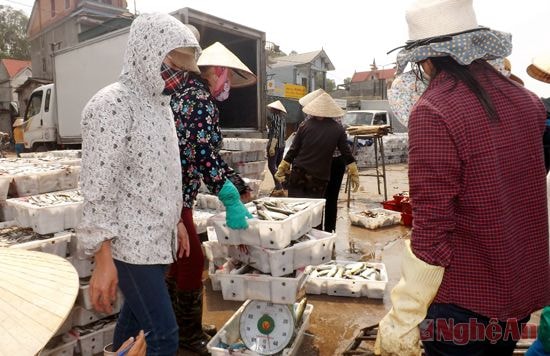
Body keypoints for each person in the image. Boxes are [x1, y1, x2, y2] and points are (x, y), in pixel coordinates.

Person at [375, 0, 550, 355]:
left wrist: (406, 310)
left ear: (426, 58)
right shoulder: (527, 101)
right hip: (516, 292)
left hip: (463, 300)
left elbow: (432, 226)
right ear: (475, 45)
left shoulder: (434, 109)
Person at [77, 13, 201, 355]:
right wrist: (103, 258)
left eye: (183, 67)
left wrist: (175, 219)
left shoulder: (161, 107)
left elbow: (164, 173)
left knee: (133, 328)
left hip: (156, 240)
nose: (178, 75)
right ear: (146, 53)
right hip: (129, 245)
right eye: (171, 63)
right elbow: (98, 188)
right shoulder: (111, 105)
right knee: (164, 335)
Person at [162, 40, 256, 355]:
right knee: (192, 261)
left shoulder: (181, 95)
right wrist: (230, 195)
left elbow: (204, 154)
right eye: (226, 76)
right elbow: (204, 156)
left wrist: (237, 183)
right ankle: (186, 337)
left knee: (178, 261)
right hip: (174, 195)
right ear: (216, 71)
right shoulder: (200, 100)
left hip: (172, 192)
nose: (227, 84)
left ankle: (176, 327)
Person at [275, 92, 359, 200]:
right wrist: (353, 170)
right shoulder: (338, 129)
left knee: (295, 208)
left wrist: (283, 166)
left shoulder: (304, 125)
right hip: (319, 178)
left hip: (299, 173)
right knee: (314, 211)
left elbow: (293, 149)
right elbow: (346, 152)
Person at [297, 88, 349, 232]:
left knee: (317, 199)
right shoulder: (337, 118)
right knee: (331, 198)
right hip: (336, 162)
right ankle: (329, 231)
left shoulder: (311, 119)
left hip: (322, 163)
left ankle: (317, 231)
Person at [266, 100, 287, 197]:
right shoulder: (283, 118)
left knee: (271, 166)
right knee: (278, 166)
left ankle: (279, 187)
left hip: (275, 145)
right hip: (282, 145)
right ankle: (282, 186)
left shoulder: (274, 118)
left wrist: (272, 146)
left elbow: (275, 132)